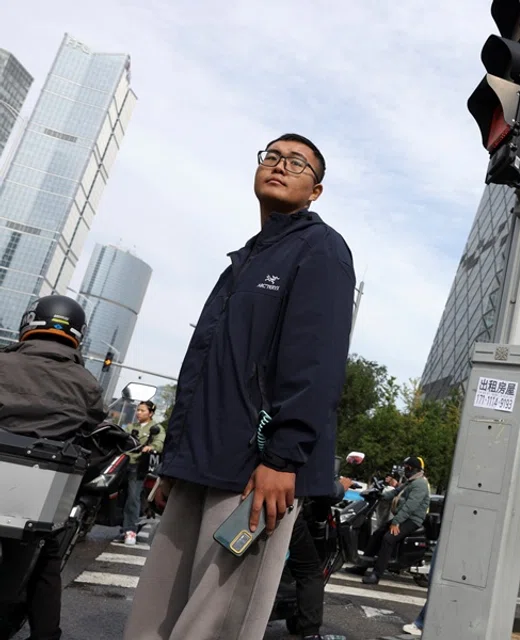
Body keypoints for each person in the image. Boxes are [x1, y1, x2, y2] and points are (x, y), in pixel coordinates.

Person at [123, 133, 355, 640]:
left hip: (257, 473)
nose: (279, 165)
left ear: (315, 190)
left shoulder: (322, 249)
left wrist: (283, 457)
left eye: (297, 163)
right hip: (197, 464)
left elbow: (316, 362)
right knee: (153, 618)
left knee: (215, 624)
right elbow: (202, 370)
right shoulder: (245, 260)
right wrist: (173, 463)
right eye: (271, 156)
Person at [0, 295, 107, 640]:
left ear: (29, 322)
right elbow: (92, 427)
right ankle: (45, 635)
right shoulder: (88, 384)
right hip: (37, 502)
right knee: (48, 552)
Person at [281, 474, 352, 639]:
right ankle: (310, 633)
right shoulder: (293, 451)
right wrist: (341, 486)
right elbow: (322, 488)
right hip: (285, 509)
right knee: (310, 571)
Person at [361, 456, 430, 585]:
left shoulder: (420, 484)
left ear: (414, 469)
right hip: (403, 517)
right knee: (377, 534)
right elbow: (394, 493)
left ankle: (376, 574)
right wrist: (380, 495)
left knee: (388, 538)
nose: (405, 470)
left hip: (412, 520)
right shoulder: (410, 482)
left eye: (407, 468)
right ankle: (362, 566)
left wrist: (396, 522)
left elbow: (410, 507)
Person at [118, 400, 165, 545]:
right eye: (138, 410)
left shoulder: (156, 428)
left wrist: (150, 447)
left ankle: (130, 531)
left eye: (142, 410)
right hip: (123, 463)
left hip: (138, 467)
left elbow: (159, 443)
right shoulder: (131, 426)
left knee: (133, 497)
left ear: (150, 413)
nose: (138, 413)